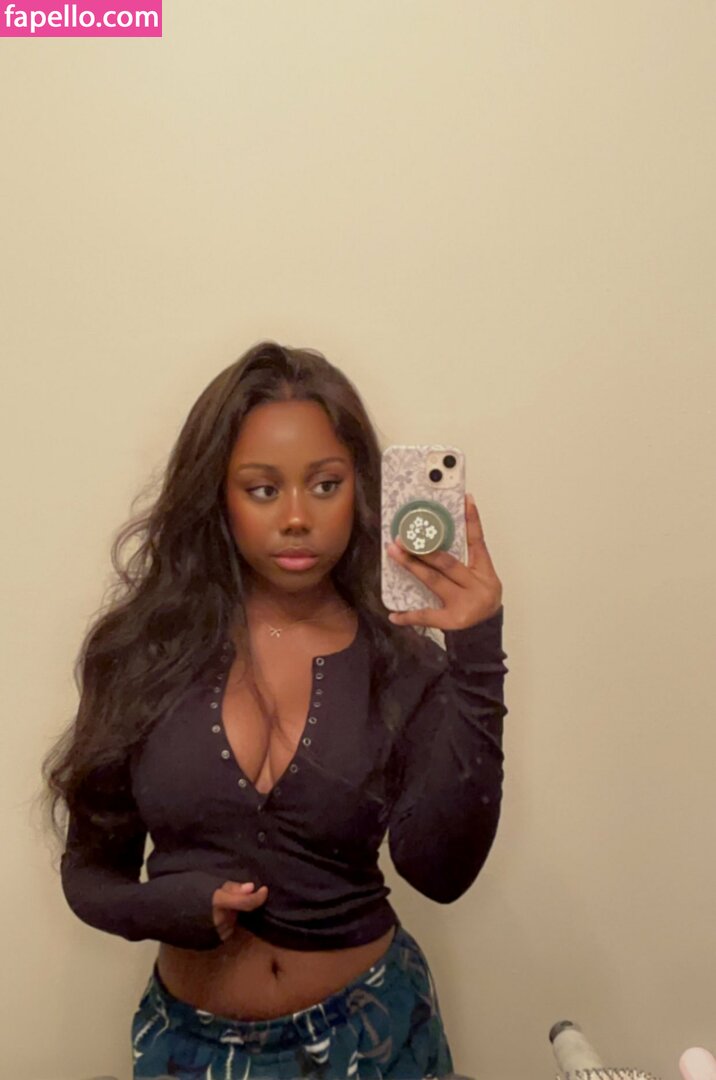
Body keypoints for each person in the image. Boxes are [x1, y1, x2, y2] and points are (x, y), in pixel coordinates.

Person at [43, 341, 508, 1079]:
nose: (297, 517)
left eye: (325, 485)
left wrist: (476, 652)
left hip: (377, 1034)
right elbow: (89, 873)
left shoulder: (402, 663)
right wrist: (167, 907)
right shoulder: (139, 653)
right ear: (216, 495)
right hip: (188, 1048)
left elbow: (441, 872)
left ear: (359, 489)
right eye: (263, 489)